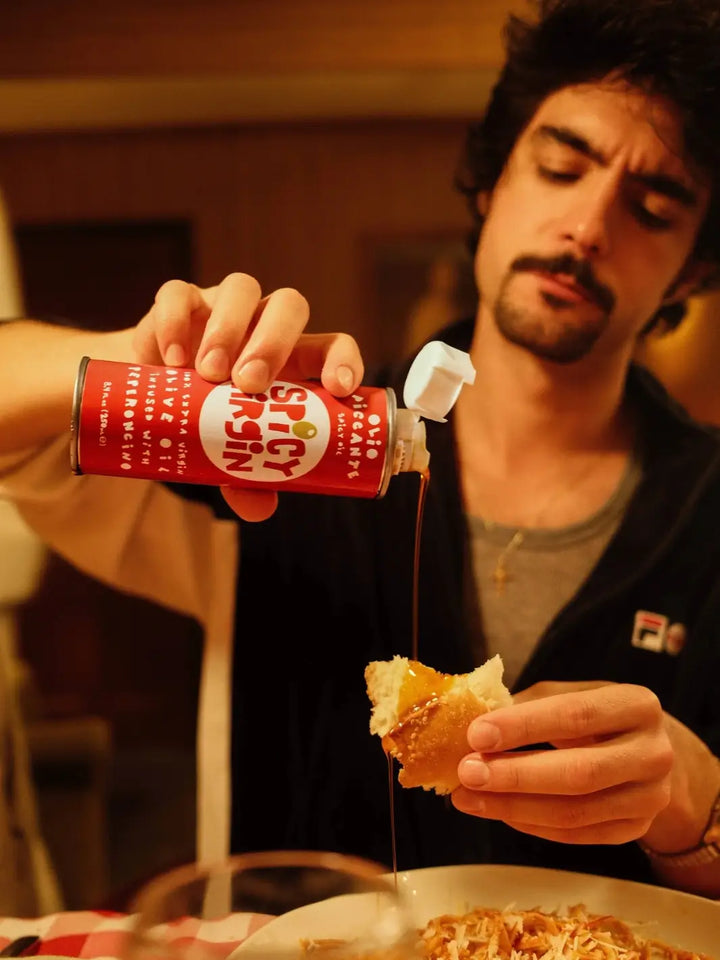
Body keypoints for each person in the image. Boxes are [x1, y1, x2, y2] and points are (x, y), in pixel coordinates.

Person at [2, 0, 720, 900]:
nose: (589, 225)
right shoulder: (304, 446)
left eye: (654, 208)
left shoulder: (707, 511)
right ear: (494, 182)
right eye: (560, 167)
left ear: (692, 269)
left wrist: (697, 801)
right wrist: (145, 362)